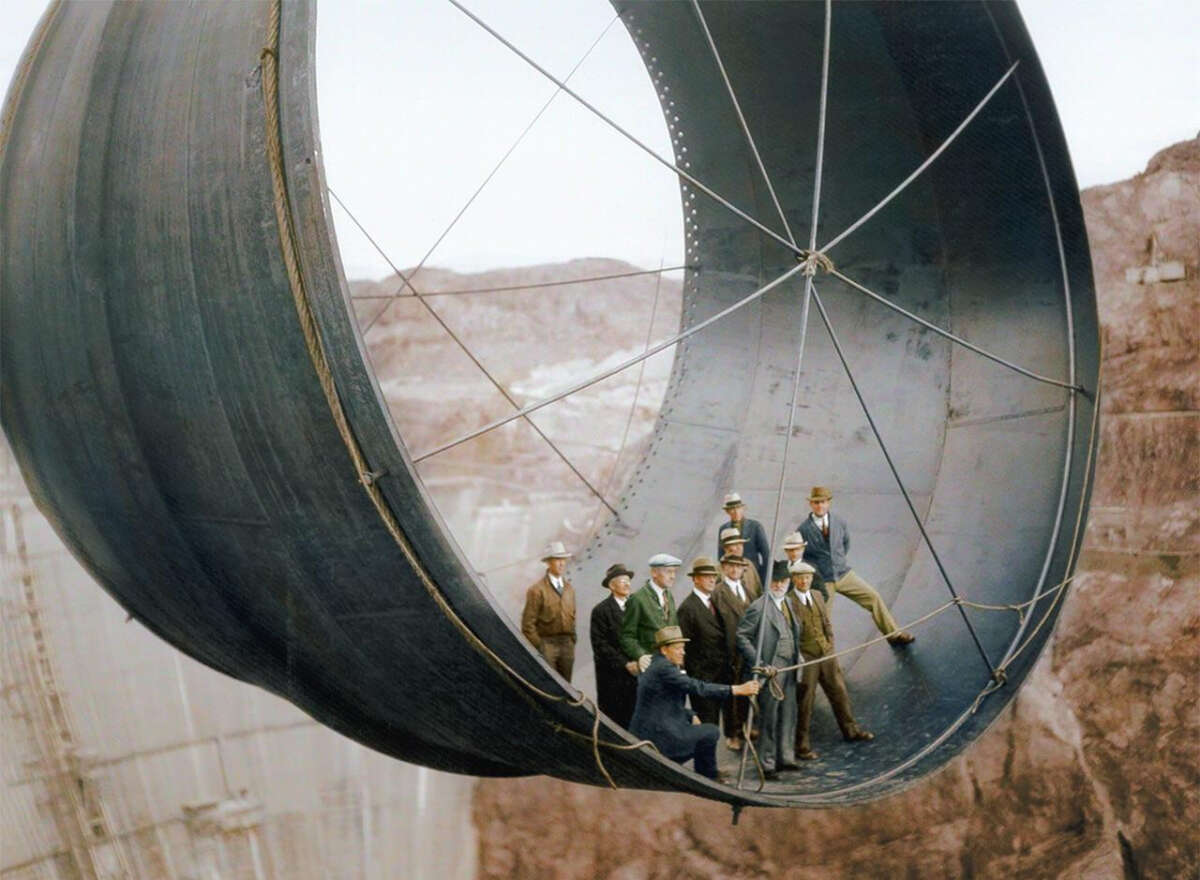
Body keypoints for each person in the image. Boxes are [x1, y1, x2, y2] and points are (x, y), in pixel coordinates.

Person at [629, 626, 760, 781]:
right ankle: (707, 777)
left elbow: (662, 699)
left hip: (650, 731)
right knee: (711, 732)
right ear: (664, 650)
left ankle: (706, 774)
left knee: (703, 730)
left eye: (683, 648)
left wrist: (690, 715)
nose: (683, 652)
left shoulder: (658, 664)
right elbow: (697, 687)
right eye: (678, 649)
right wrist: (736, 689)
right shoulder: (664, 668)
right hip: (657, 738)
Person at [797, 486, 914, 645]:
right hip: (823, 581)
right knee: (822, 618)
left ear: (828, 503)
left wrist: (837, 562)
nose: (820, 506)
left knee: (873, 597)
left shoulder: (839, 522)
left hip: (843, 574)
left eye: (823, 502)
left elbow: (845, 544)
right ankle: (823, 658)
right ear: (811, 504)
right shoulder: (803, 530)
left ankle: (894, 634)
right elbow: (801, 557)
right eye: (816, 503)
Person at [788, 560, 874, 759]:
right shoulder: (788, 601)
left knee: (839, 693)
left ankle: (851, 731)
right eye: (800, 577)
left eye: (807, 577)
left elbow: (826, 623)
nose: (804, 581)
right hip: (806, 659)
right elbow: (788, 633)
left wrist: (830, 646)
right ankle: (801, 746)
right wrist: (798, 656)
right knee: (805, 702)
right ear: (794, 579)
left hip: (826, 655)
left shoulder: (817, 595)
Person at [736, 561, 802, 777]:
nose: (779, 585)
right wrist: (760, 663)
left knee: (788, 714)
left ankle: (786, 757)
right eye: (774, 581)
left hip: (790, 667)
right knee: (769, 718)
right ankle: (767, 763)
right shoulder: (758, 607)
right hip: (770, 669)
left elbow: (792, 633)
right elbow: (742, 636)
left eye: (783, 581)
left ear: (789, 582)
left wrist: (797, 655)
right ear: (768, 583)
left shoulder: (789, 604)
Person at [675, 557, 732, 727]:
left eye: (713, 576)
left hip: (721, 675)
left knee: (721, 721)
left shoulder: (713, 601)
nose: (712, 580)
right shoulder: (688, 609)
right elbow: (681, 647)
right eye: (707, 576)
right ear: (696, 579)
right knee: (709, 726)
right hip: (702, 680)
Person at [713, 552, 756, 751]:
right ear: (723, 568)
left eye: (738, 567)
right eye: (730, 566)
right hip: (728, 652)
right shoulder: (718, 593)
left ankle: (746, 727)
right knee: (730, 694)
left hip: (746, 651)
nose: (734, 570)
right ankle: (732, 734)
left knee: (747, 689)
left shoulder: (748, 592)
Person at [590, 563, 639, 727]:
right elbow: (600, 646)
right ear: (611, 585)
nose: (627, 584)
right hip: (612, 679)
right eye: (622, 580)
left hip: (636, 676)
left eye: (628, 580)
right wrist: (625, 664)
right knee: (615, 721)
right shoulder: (601, 611)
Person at [520, 541, 576, 679]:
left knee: (566, 685)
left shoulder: (569, 589)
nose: (561, 563)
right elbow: (527, 625)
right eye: (557, 559)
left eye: (563, 559)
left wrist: (572, 639)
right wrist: (541, 646)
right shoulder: (537, 590)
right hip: (548, 645)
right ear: (548, 562)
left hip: (567, 645)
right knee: (550, 682)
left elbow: (572, 616)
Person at [620, 553, 681, 672]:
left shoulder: (668, 596)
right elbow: (627, 636)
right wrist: (641, 655)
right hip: (651, 667)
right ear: (654, 573)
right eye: (668, 572)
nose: (673, 576)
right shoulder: (638, 599)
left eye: (674, 572)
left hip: (669, 665)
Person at [716, 492, 770, 586]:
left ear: (743, 508)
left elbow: (766, 556)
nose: (736, 512)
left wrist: (763, 579)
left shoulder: (755, 527)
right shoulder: (724, 529)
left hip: (751, 575)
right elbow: (721, 556)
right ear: (727, 511)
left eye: (738, 508)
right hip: (731, 575)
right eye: (732, 509)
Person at [781, 532, 827, 599]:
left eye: (797, 549)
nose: (794, 553)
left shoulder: (811, 568)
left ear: (803, 549)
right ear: (786, 551)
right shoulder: (780, 567)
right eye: (791, 550)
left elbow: (823, 594)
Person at [719, 527, 762, 597]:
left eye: (741, 544)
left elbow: (759, 590)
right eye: (735, 544)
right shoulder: (718, 570)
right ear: (726, 548)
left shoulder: (749, 565)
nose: (739, 547)